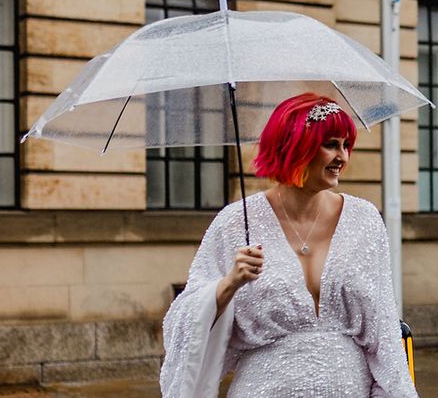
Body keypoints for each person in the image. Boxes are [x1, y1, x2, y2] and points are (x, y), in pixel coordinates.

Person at [159, 93, 419, 397]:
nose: (343, 157)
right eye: (332, 145)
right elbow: (181, 321)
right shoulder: (235, 223)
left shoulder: (365, 221)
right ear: (297, 146)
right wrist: (229, 284)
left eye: (346, 145)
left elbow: (383, 328)